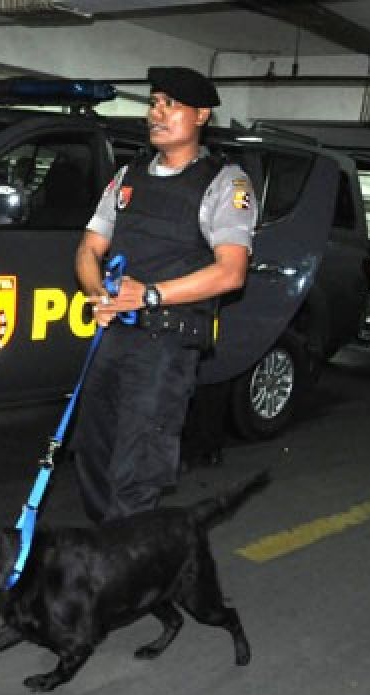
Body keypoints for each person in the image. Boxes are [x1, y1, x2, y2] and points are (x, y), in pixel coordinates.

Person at [70, 66, 258, 523]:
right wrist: (101, 295)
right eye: (153, 103)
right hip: (115, 337)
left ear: (201, 116)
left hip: (166, 345)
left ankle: (128, 573)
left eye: (170, 104)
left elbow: (231, 272)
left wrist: (149, 296)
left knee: (137, 467)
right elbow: (89, 248)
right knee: (92, 449)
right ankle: (108, 552)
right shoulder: (127, 178)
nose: (156, 113)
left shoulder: (226, 183)